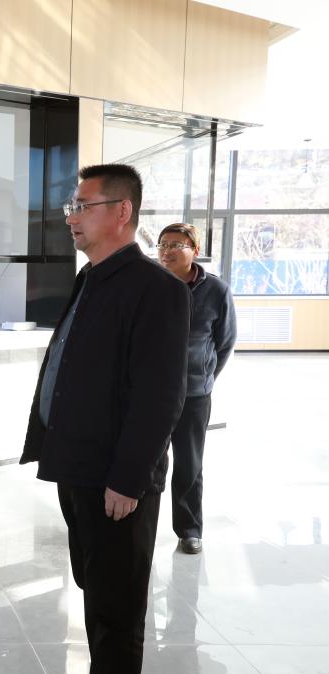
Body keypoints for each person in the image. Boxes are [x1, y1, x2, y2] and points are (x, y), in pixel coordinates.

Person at [20, 164, 190, 674]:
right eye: (71, 207)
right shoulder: (90, 277)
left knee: (116, 613)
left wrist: (128, 478)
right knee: (96, 588)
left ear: (122, 211)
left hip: (115, 480)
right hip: (77, 466)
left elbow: (161, 396)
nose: (71, 217)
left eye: (83, 206)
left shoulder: (157, 289)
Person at [156, 222, 237, 554]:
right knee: (147, 461)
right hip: (151, 393)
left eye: (177, 245)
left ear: (195, 250)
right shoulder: (150, 285)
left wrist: (204, 376)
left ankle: (189, 529)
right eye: (163, 244)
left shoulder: (216, 290)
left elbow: (225, 342)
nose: (167, 251)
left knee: (189, 464)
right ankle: (139, 525)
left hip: (194, 394)